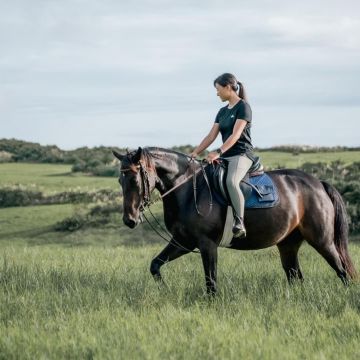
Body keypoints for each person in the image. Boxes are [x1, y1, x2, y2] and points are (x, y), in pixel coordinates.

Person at [190, 73, 254, 238]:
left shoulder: (243, 107)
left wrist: (218, 152)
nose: (217, 93)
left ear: (228, 87)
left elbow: (235, 135)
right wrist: (195, 152)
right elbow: (211, 136)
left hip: (241, 155)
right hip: (225, 157)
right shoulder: (221, 111)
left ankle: (239, 222)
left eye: (218, 89)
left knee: (231, 182)